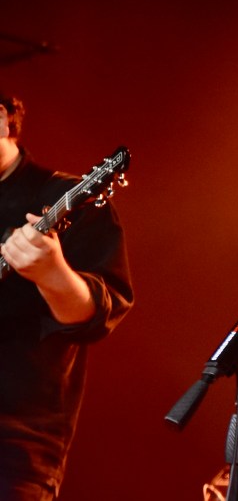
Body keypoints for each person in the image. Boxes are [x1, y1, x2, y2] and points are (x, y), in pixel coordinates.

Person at [0, 93, 133, 500]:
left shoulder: (59, 194)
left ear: (2, 119)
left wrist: (52, 273)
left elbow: (97, 314)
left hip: (12, 448)